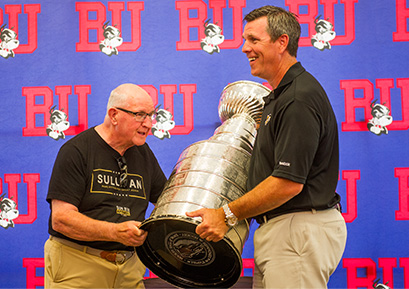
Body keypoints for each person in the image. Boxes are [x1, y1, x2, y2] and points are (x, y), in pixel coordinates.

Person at [186, 6, 347, 289]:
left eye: (253, 40)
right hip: (284, 230)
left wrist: (226, 214)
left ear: (282, 42)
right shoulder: (279, 96)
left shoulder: (298, 98)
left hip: (297, 230)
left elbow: (287, 184)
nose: (244, 47)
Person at [44, 83, 167, 289]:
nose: (148, 123)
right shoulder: (76, 151)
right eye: (140, 115)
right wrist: (115, 232)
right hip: (78, 267)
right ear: (114, 115)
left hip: (130, 270)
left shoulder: (144, 154)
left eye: (151, 115)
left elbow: (167, 201)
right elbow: (61, 219)